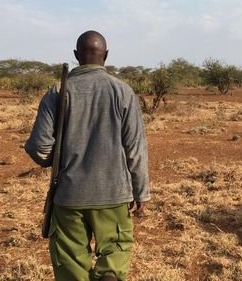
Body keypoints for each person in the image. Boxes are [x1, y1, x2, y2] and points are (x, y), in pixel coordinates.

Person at [24, 30, 150, 281]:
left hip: (69, 196)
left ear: (75, 56)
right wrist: (141, 192)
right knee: (114, 255)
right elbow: (135, 148)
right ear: (107, 56)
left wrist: (55, 159)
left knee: (71, 268)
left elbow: (39, 147)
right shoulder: (123, 91)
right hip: (114, 195)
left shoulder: (58, 91)